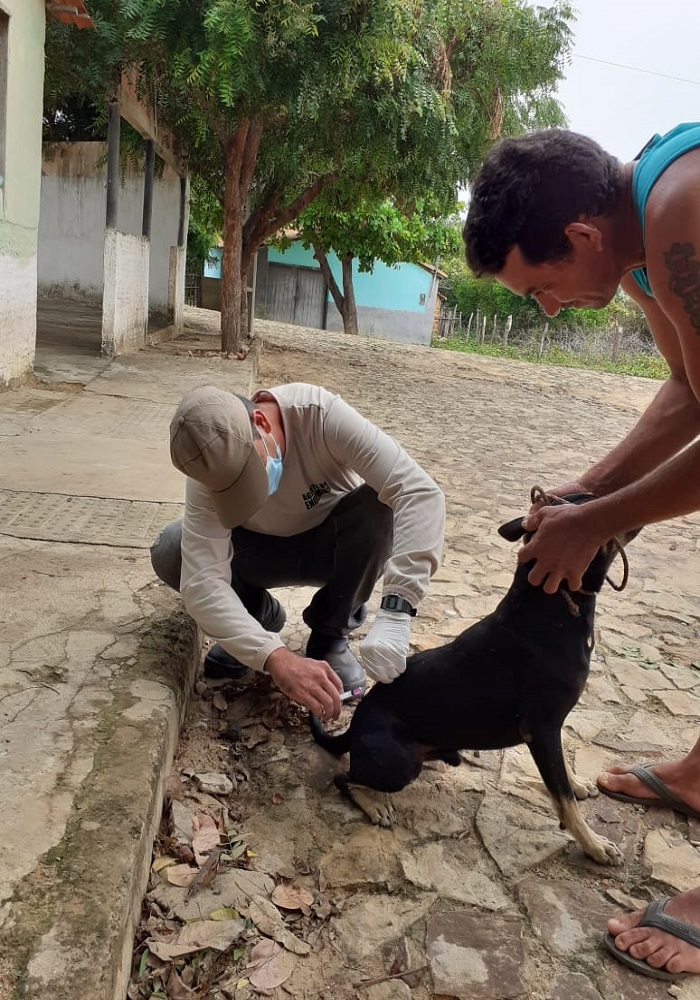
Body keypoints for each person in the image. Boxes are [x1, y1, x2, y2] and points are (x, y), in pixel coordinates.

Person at [463, 123, 700, 981]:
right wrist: (585, 494)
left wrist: (597, 524)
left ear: (580, 238)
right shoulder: (635, 249)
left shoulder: (681, 204)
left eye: (542, 287)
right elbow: (689, 389)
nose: (549, 308)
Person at [151, 381, 445, 726]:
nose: (252, 495)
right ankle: (256, 617)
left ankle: (331, 633)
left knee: (380, 508)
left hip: (332, 547)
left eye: (249, 476)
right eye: (233, 490)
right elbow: (203, 583)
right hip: (256, 553)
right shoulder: (208, 463)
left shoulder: (320, 416)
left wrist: (398, 607)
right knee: (174, 551)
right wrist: (273, 656)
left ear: (261, 422)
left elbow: (418, 491)